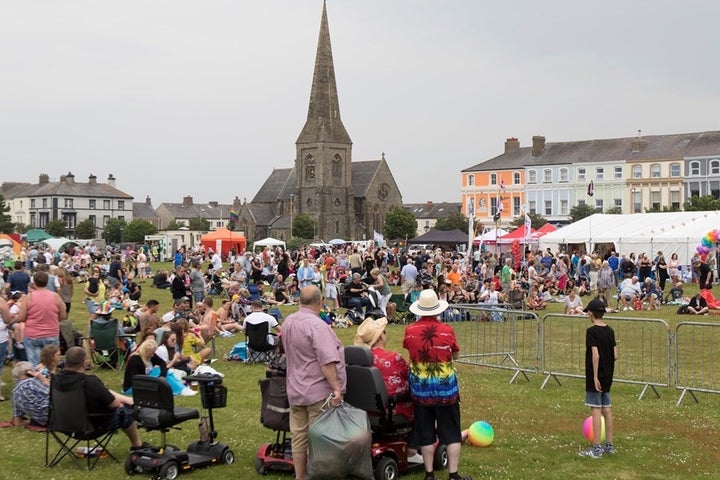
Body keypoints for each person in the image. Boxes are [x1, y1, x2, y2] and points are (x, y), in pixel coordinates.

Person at [403, 289, 471, 480]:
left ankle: (429, 473)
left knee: (425, 432)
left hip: (421, 389)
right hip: (445, 389)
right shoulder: (447, 330)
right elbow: (454, 353)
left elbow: (409, 349)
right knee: (451, 432)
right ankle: (453, 474)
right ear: (437, 309)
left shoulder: (410, 331)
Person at [283, 286, 346, 480]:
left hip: (295, 387)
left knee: (299, 437)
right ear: (320, 302)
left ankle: (300, 476)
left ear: (299, 301)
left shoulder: (288, 322)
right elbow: (327, 361)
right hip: (318, 390)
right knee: (319, 439)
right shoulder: (317, 326)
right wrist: (337, 388)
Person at [354, 317, 423, 464]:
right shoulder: (393, 358)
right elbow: (412, 375)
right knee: (422, 403)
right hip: (390, 410)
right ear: (380, 336)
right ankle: (412, 450)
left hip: (362, 410)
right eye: (384, 332)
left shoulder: (357, 361)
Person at [55, 347, 145, 449]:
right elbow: (114, 404)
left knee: (115, 400)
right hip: (92, 428)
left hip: (64, 426)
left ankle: (131, 400)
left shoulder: (56, 380)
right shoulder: (89, 382)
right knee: (126, 412)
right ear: (84, 363)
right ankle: (137, 445)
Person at [578, 299, 617, 458]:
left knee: (595, 409)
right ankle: (609, 445)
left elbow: (595, 355)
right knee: (607, 409)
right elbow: (615, 355)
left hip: (596, 376)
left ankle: (596, 448)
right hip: (608, 375)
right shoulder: (610, 331)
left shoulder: (592, 331)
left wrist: (595, 376)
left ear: (591, 314)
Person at [14, 271, 67, 367]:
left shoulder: (28, 298)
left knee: (35, 363)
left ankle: (37, 380)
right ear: (47, 282)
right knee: (51, 363)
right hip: (51, 333)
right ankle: (50, 379)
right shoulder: (55, 297)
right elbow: (63, 316)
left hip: (33, 335)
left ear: (34, 283)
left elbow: (21, 317)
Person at [11, 361, 50, 426]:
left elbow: (17, 421)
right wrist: (43, 379)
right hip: (56, 415)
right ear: (28, 372)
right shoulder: (32, 382)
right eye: (33, 369)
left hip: (42, 421)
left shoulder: (14, 393)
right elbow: (54, 393)